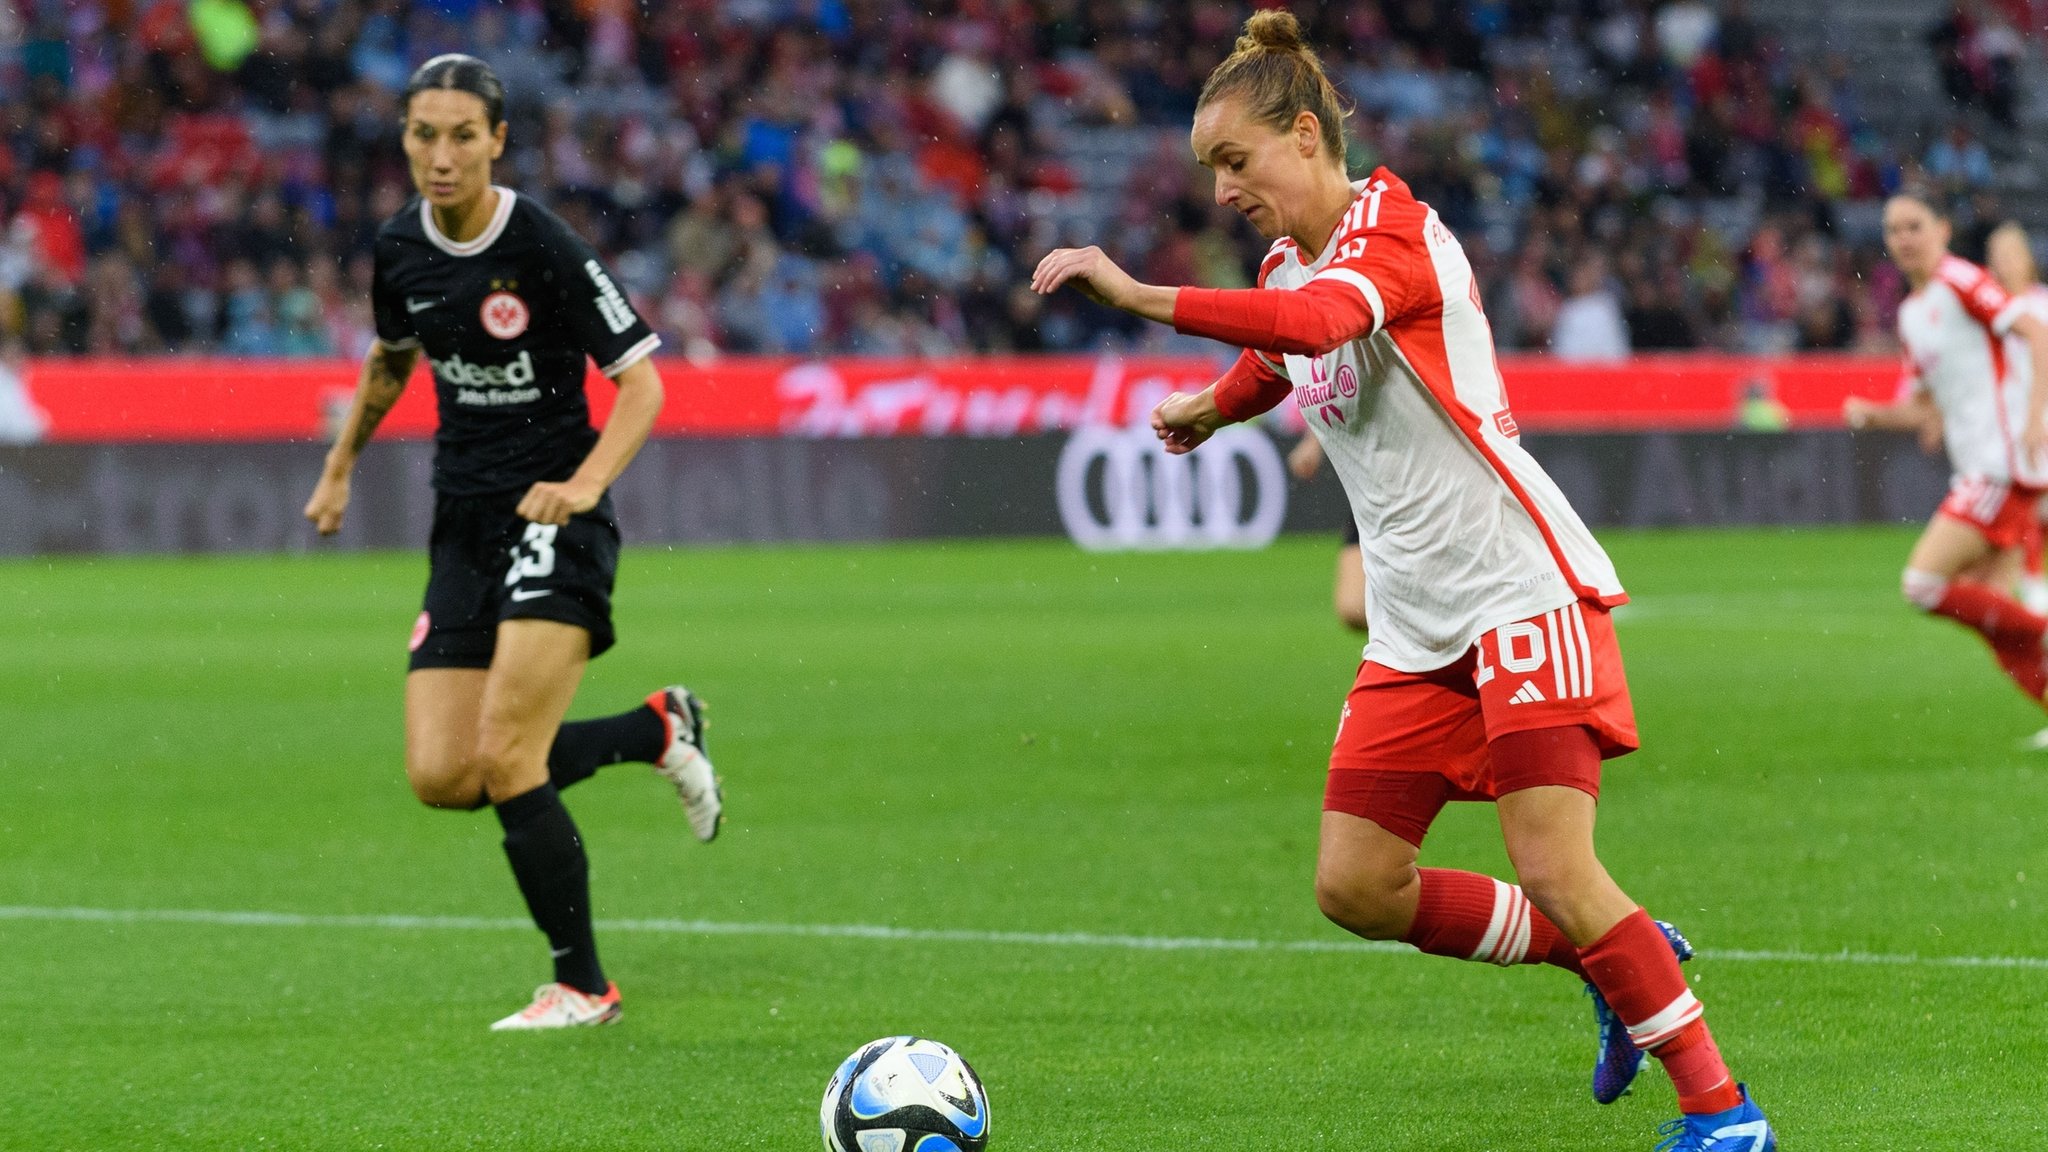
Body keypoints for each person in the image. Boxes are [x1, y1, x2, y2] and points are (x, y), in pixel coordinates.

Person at [1030, 12, 1775, 1149]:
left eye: (1234, 161)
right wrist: (1213, 406)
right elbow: (1284, 348)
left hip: (1517, 591)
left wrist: (1139, 300)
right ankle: (1615, 955)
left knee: (1554, 864)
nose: (1221, 189)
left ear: (1305, 135)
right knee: (1356, 884)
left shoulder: (1395, 232)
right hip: (1415, 620)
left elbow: (1322, 320)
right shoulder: (1290, 257)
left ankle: (1722, 1113)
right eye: (1208, 170)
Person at [301, 55, 724, 1031]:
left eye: (461, 136)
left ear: (497, 140)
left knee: (505, 751)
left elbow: (644, 385)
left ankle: (583, 985)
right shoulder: (399, 247)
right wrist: (338, 466)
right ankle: (655, 730)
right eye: (421, 135)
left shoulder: (540, 244)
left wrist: (582, 487)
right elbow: (388, 360)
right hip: (463, 526)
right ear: (402, 139)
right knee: (445, 774)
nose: (439, 156)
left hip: (554, 520)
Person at [1844, 194, 2048, 719]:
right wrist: (1871, 413)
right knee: (1989, 606)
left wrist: (2032, 418)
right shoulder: (1912, 315)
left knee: (1923, 584)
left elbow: (2037, 332)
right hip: (1981, 464)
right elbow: (1921, 406)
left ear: (1942, 229)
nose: (1904, 238)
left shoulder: (1961, 280)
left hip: (2000, 462)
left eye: (1915, 226)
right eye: (1893, 230)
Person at [1984, 221, 2048, 617]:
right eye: (1996, 258)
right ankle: (2029, 580)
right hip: (2006, 421)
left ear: (2026, 259)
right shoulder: (1991, 311)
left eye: (2009, 256)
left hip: (2041, 415)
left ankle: (2028, 579)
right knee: (2028, 502)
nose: (2002, 265)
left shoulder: (2041, 304)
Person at [1285, 431, 1367, 631]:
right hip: (1371, 485)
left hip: (1424, 481)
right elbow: (1338, 398)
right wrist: (1313, 441)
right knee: (1353, 607)